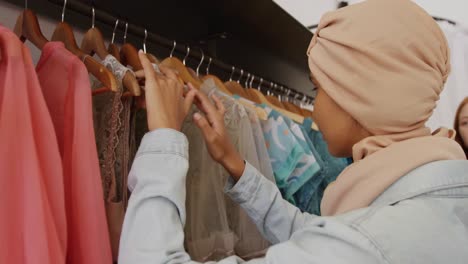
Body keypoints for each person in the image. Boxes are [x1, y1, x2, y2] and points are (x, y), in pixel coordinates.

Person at [118, 0, 468, 263]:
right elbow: (318, 236)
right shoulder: (434, 200)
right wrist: (235, 163)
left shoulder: (374, 241)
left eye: (318, 89)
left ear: (357, 97)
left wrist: (164, 136)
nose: (313, 109)